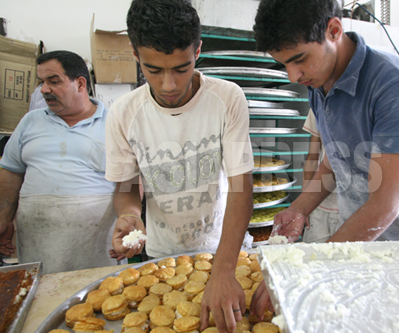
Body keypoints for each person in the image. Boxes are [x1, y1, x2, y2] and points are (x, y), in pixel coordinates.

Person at [250, 0, 399, 319]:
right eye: (283, 64)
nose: (293, 75)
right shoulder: (319, 83)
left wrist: (305, 267)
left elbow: (385, 205)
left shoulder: (392, 84)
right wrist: (299, 208)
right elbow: (337, 160)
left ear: (334, 30)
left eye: (299, 60)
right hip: (355, 245)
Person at [104, 0, 254, 332]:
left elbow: (243, 187)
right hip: (162, 254)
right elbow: (126, 188)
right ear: (135, 54)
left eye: (181, 68)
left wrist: (225, 270)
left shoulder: (227, 99)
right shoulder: (123, 113)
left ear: (198, 50)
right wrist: (128, 215)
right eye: (154, 70)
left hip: (223, 248)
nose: (168, 85)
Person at [0, 50, 118, 274]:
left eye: (53, 81)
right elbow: (10, 172)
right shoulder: (30, 121)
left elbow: (129, 180)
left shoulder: (115, 122)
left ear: (80, 84)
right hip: (37, 239)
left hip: (96, 242)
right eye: (41, 82)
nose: (44, 90)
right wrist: (3, 218)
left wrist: (129, 217)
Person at [302, 109, 341, 243]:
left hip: (352, 209)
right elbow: (313, 158)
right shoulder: (317, 105)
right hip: (319, 203)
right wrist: (304, 205)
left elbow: (312, 158)